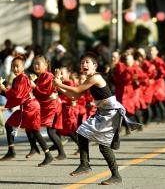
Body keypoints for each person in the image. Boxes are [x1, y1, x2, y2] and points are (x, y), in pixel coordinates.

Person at [54, 53, 141, 185]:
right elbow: (74, 97)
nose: (84, 64)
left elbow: (76, 89)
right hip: (103, 113)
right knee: (83, 133)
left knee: (103, 146)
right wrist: (59, 86)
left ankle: (114, 175)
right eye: (82, 62)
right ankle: (86, 165)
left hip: (111, 113)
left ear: (95, 66)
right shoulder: (88, 80)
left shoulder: (96, 77)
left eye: (87, 62)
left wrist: (59, 83)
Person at [0, 56, 53, 166]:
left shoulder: (23, 78)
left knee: (35, 131)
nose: (15, 69)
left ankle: (48, 155)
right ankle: (11, 151)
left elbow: (17, 95)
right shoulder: (17, 79)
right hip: (26, 107)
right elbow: (14, 95)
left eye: (17, 66)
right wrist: (3, 90)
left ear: (23, 67)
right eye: (13, 66)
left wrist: (3, 89)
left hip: (31, 107)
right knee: (9, 124)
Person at [31, 55, 66, 160]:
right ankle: (57, 149)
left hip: (52, 106)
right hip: (46, 106)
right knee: (50, 130)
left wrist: (34, 86)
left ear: (45, 65)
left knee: (51, 131)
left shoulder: (48, 76)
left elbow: (46, 92)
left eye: (38, 63)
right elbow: (38, 94)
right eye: (34, 64)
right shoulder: (41, 77)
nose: (35, 66)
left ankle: (61, 153)